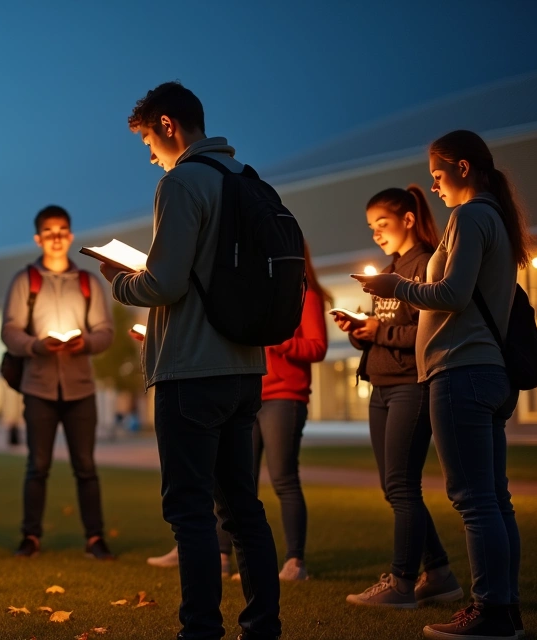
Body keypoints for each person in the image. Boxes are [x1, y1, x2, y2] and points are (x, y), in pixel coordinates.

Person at [103, 82, 281, 640]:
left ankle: (200, 630)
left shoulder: (181, 182)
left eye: (148, 142)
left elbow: (165, 283)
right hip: (244, 367)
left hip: (192, 370)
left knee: (190, 510)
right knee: (243, 508)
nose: (150, 155)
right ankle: (263, 627)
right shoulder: (246, 179)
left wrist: (120, 281)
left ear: (168, 125)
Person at [356, 130, 528, 640]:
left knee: (475, 500)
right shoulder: (493, 216)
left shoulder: (471, 216)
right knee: (493, 498)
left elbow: (452, 294)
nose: (433, 186)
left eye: (437, 174)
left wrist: (397, 286)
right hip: (485, 370)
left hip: (461, 369)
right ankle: (504, 607)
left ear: (463, 167)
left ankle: (491, 610)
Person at [149, 243, 329, 582]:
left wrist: (278, 339)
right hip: (250, 393)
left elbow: (317, 347)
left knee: (283, 478)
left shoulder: (305, 295)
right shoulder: (255, 293)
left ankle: (295, 561)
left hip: (284, 396)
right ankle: (221, 554)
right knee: (236, 484)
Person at [342, 186, 463, 609]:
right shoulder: (388, 270)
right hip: (381, 385)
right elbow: (384, 329)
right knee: (393, 486)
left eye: (383, 223)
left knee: (401, 485)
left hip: (411, 385)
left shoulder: (426, 265)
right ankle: (440, 575)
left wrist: (381, 331)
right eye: (371, 226)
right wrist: (362, 331)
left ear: (408, 220)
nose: (376, 233)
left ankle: (402, 582)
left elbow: (430, 330)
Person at [0, 205, 115, 560]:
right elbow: (9, 330)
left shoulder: (87, 282)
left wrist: (86, 342)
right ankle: (30, 536)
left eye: (62, 230)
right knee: (37, 466)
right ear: (38, 238)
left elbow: (106, 331)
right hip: (39, 388)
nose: (56, 237)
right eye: (48, 231)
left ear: (71, 235)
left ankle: (95, 537)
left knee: (86, 467)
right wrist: (36, 345)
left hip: (80, 388)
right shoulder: (25, 280)